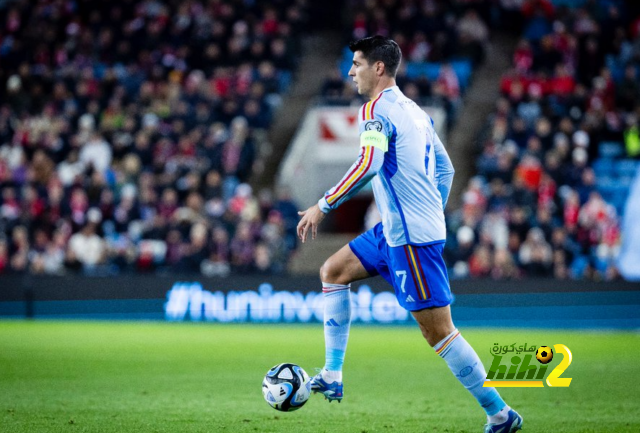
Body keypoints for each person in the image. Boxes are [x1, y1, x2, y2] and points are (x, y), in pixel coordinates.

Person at [297, 36, 522, 433]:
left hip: (412, 239)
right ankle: (332, 373)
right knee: (332, 271)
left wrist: (324, 204)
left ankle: (500, 413)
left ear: (378, 68)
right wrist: (429, 209)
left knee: (439, 332)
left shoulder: (376, 110)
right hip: (396, 230)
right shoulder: (416, 112)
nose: (350, 71)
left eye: (357, 63)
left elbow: (368, 163)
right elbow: (446, 170)